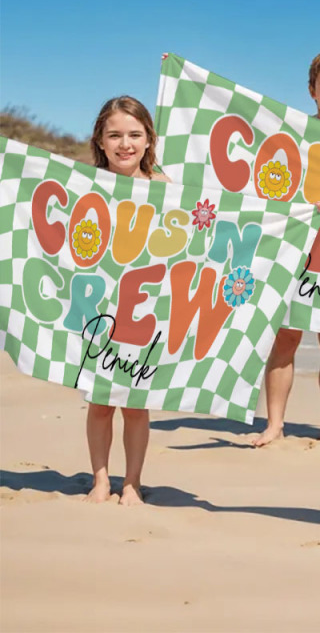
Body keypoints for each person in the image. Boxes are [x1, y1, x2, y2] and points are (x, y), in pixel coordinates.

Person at [252, 50, 320, 446]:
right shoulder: (296, 134)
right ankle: (274, 424)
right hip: (296, 243)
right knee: (286, 335)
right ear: (312, 91)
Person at [85, 95, 170, 505]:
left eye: (134, 135)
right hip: (98, 308)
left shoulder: (164, 187)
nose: (125, 144)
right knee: (100, 401)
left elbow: (222, 219)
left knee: (136, 403)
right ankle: (100, 481)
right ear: (100, 141)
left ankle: (132, 483)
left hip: (146, 309)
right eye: (114, 135)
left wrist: (300, 213)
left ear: (148, 139)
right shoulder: (85, 184)